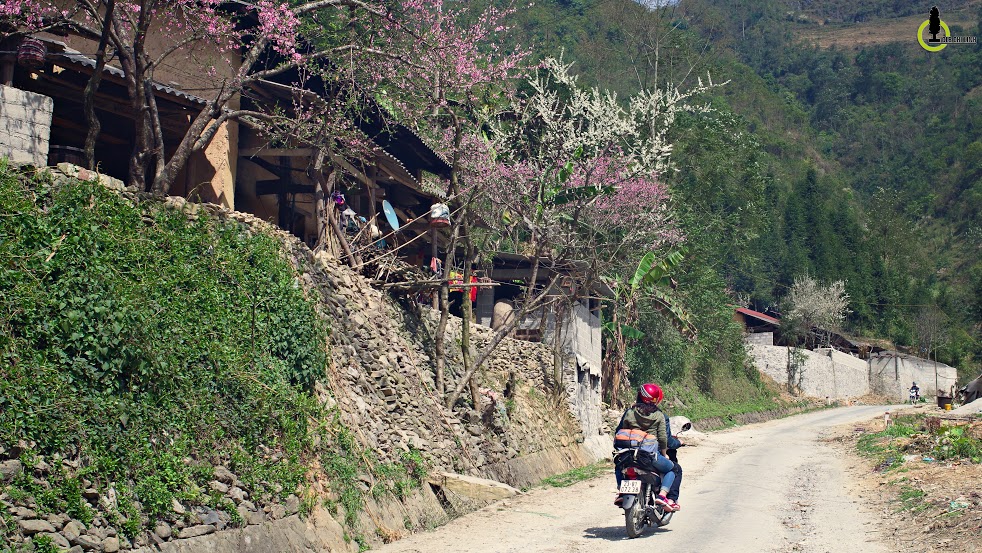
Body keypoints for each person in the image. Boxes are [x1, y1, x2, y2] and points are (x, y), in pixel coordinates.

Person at [613, 383, 679, 512]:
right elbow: (662, 437)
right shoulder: (659, 415)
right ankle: (662, 496)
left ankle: (622, 490)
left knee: (619, 466)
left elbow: (620, 431)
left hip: (629, 453)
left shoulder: (630, 412)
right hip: (649, 455)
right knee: (672, 469)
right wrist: (664, 453)